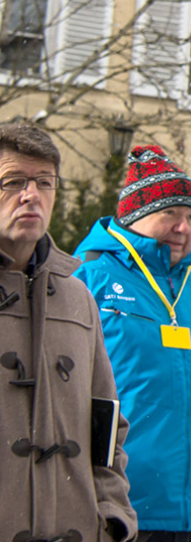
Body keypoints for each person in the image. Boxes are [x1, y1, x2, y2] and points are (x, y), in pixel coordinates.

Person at [73, 145, 191, 542]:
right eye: (169, 213)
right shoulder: (87, 284)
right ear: (134, 218)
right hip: (120, 517)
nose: (183, 227)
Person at [0, 121, 137, 542]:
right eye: (13, 182)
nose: (31, 195)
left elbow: (106, 424)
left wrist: (112, 516)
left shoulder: (79, 298)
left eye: (44, 182)